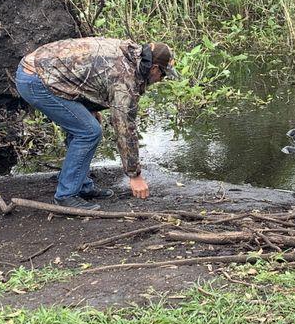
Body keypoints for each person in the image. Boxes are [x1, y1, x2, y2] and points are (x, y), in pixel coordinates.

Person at [14, 37, 178, 211]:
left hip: (45, 71)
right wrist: (135, 176)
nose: (161, 79)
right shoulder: (126, 76)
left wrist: (91, 107)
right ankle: (66, 195)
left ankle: (81, 185)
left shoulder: (131, 53)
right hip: (35, 79)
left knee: (86, 124)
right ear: (153, 68)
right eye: (163, 74)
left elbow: (92, 70)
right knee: (89, 131)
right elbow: (125, 128)